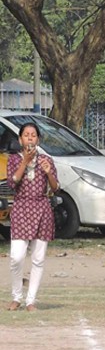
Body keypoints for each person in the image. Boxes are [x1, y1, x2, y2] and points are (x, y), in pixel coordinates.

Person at [7, 123, 59, 311]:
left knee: (38, 258)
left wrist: (47, 172)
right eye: (26, 135)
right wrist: (24, 162)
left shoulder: (47, 160)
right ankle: (16, 296)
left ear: (38, 139)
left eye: (33, 135)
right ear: (20, 140)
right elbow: (13, 183)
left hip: (41, 209)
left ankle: (31, 300)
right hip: (21, 208)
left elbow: (55, 187)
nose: (30, 138)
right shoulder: (13, 159)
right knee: (16, 257)